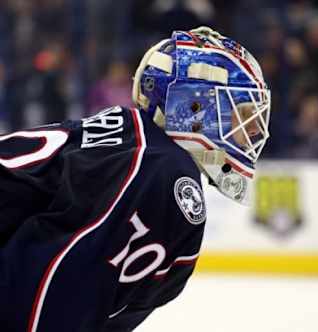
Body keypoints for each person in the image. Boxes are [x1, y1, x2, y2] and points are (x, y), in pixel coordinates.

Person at [0, 26, 271, 331]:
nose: (253, 131)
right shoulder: (166, 174)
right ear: (197, 107)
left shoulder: (137, 139)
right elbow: (48, 290)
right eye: (240, 112)